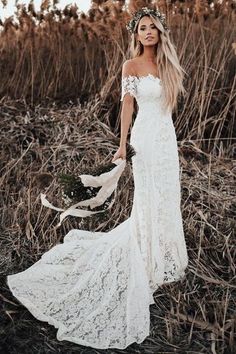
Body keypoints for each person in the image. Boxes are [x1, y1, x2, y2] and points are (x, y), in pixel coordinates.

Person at [7, 7, 189, 350]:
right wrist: (122, 145)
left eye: (153, 27)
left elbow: (169, 108)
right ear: (135, 35)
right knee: (148, 197)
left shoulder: (168, 66)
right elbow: (127, 106)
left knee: (168, 195)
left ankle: (167, 255)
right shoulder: (130, 66)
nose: (148, 32)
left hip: (167, 139)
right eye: (142, 28)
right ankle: (146, 258)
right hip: (145, 139)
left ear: (161, 33)